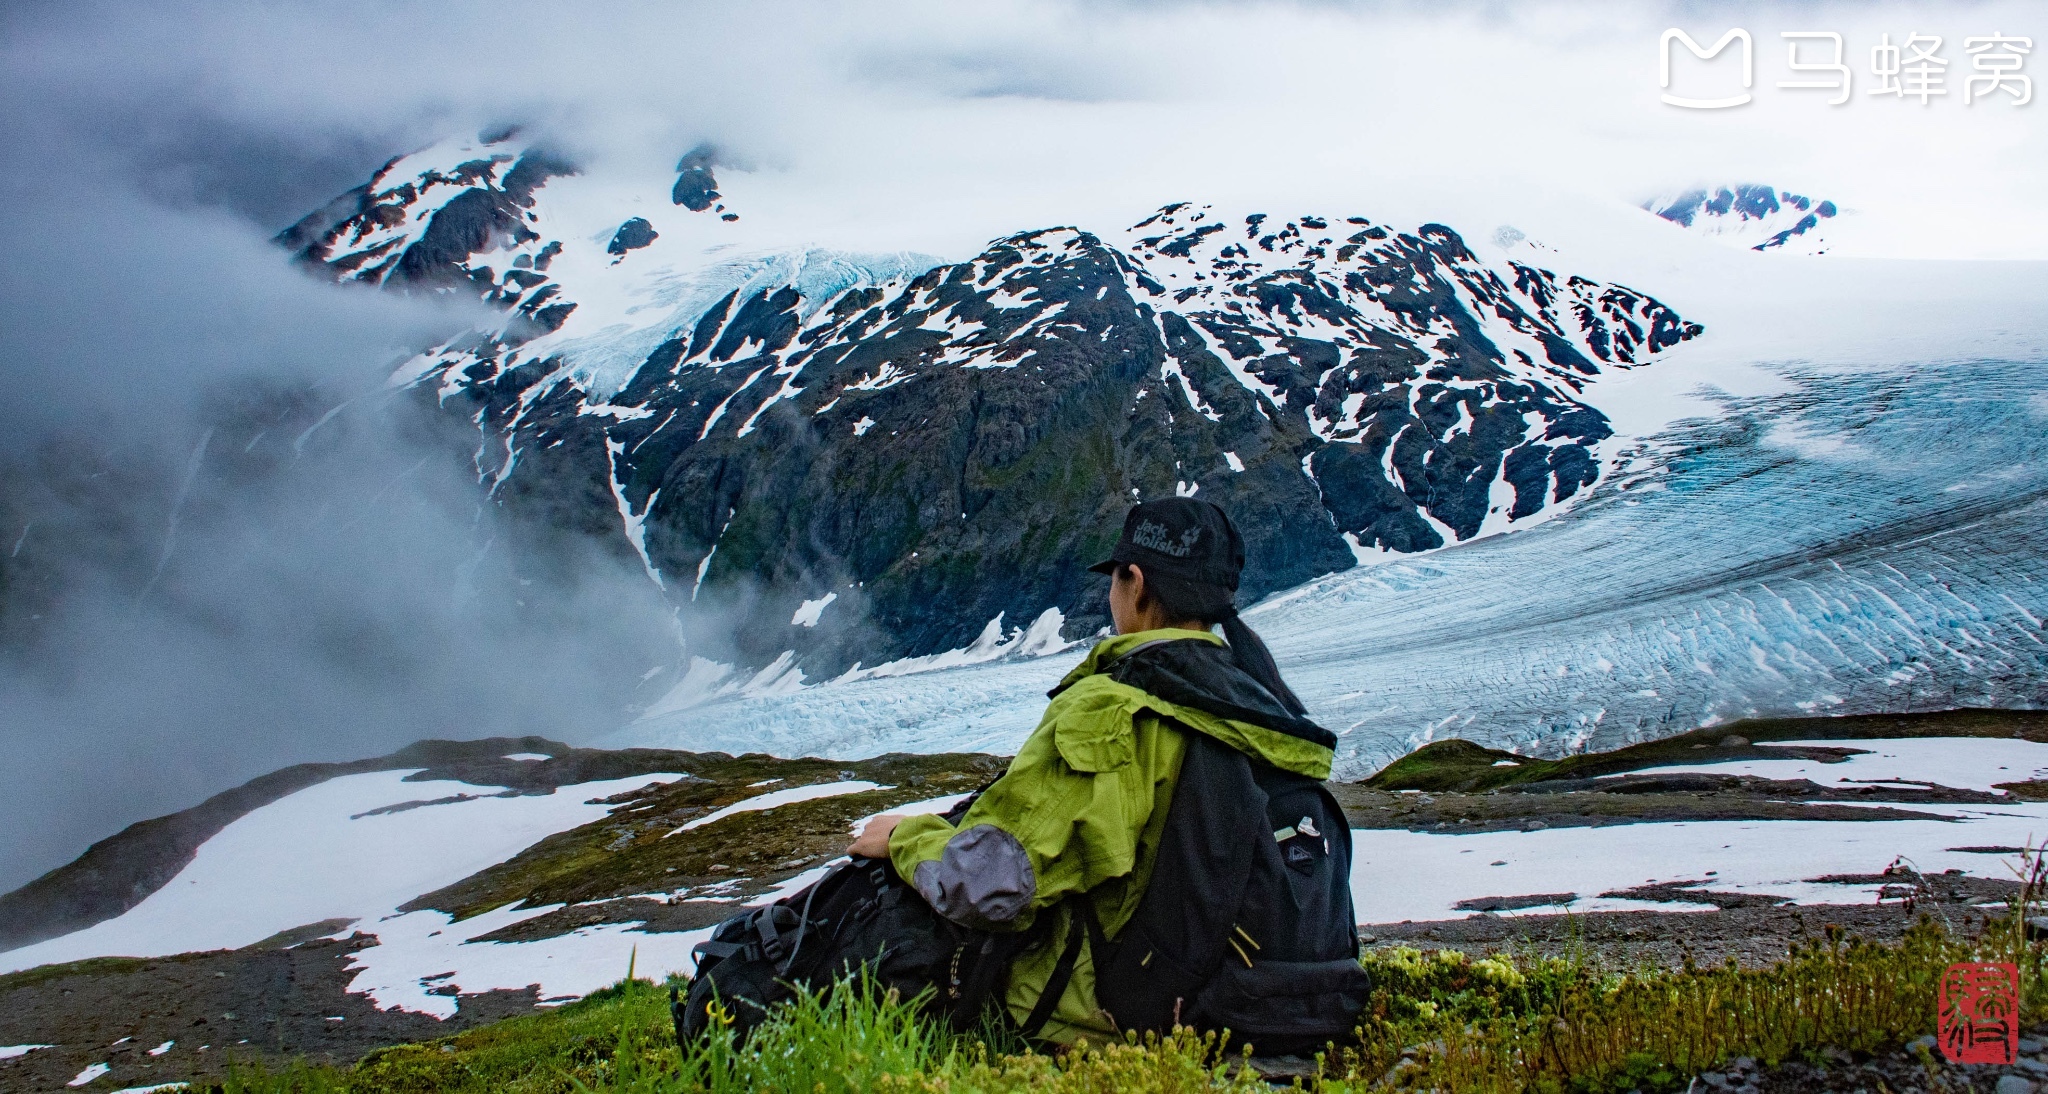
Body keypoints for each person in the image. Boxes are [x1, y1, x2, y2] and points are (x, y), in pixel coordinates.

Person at [847, 497, 1357, 1046]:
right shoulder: (1260, 705)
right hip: (1277, 1005)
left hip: (1123, 1023)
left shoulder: (1114, 707)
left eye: (1114, 580)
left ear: (1135, 582)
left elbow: (992, 884)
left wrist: (906, 837)